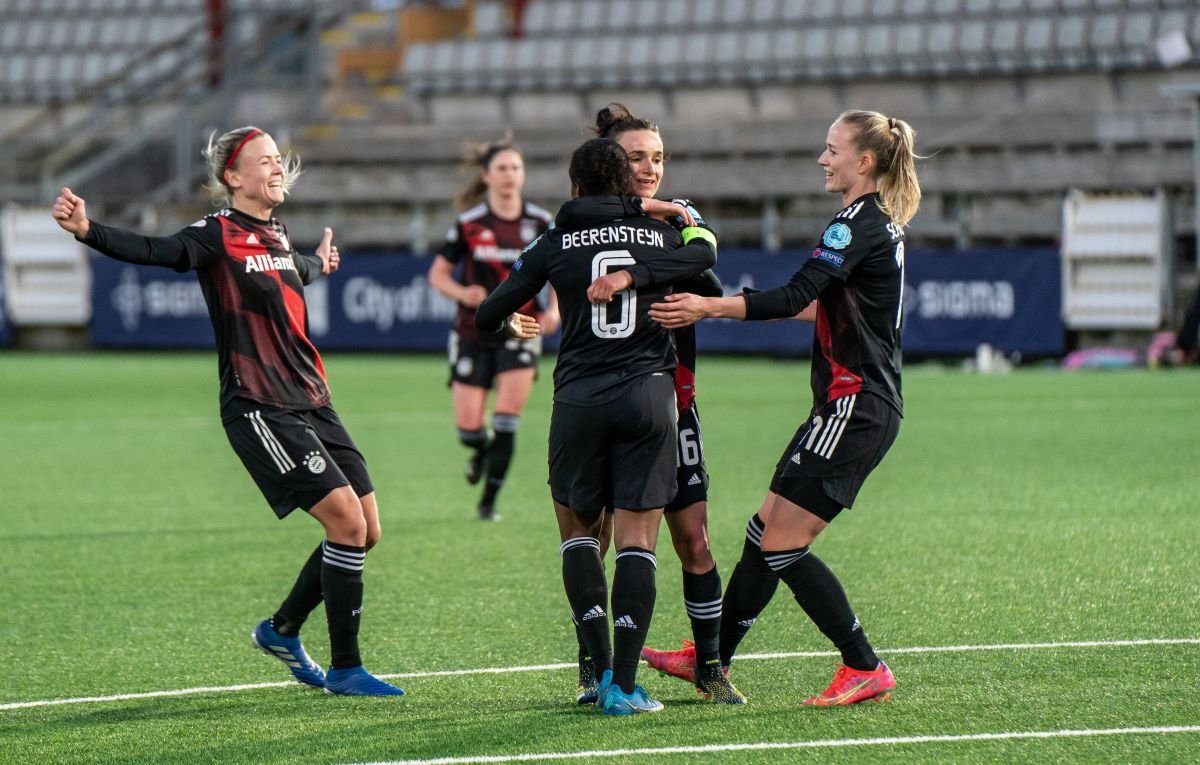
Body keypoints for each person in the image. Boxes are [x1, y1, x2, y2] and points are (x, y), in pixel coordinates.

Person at [50, 126, 404, 697]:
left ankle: (282, 630)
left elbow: (293, 273)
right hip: (260, 405)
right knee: (345, 522)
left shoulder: (279, 235)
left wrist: (321, 263)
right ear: (233, 178)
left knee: (367, 530)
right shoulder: (216, 234)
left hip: (313, 400)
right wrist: (88, 230)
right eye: (262, 161)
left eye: (278, 160)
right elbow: (158, 251)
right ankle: (346, 669)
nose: (276, 168)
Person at [643, 109, 921, 706]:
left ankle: (863, 665)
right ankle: (709, 655)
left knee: (782, 546)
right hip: (848, 404)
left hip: (855, 405)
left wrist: (707, 308)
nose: (823, 159)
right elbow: (819, 307)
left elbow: (796, 293)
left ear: (863, 161)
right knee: (763, 530)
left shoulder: (854, 223)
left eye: (832, 149)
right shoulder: (881, 223)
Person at [474, 137, 717, 715]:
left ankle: (595, 670)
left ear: (574, 185)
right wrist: (671, 216)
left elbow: (487, 314)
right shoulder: (660, 235)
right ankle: (625, 687)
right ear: (625, 183)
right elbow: (704, 254)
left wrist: (516, 326)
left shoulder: (554, 242)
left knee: (581, 536)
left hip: (578, 400)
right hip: (648, 398)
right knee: (638, 540)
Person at [557, 104, 743, 706]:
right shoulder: (588, 229)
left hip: (670, 402)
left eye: (658, 157)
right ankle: (599, 669)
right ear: (612, 163)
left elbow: (710, 287)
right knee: (597, 536)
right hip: (605, 398)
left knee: (695, 540)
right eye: (637, 157)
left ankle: (711, 667)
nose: (650, 169)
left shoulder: (679, 220)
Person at [427, 137, 558, 522]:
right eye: (501, 168)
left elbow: (564, 274)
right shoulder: (469, 225)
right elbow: (437, 274)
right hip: (472, 333)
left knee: (505, 418)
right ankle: (480, 453)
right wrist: (462, 292)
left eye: (515, 168)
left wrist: (555, 313)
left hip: (520, 329)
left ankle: (488, 504)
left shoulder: (541, 223)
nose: (509, 175)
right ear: (486, 176)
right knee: (470, 430)